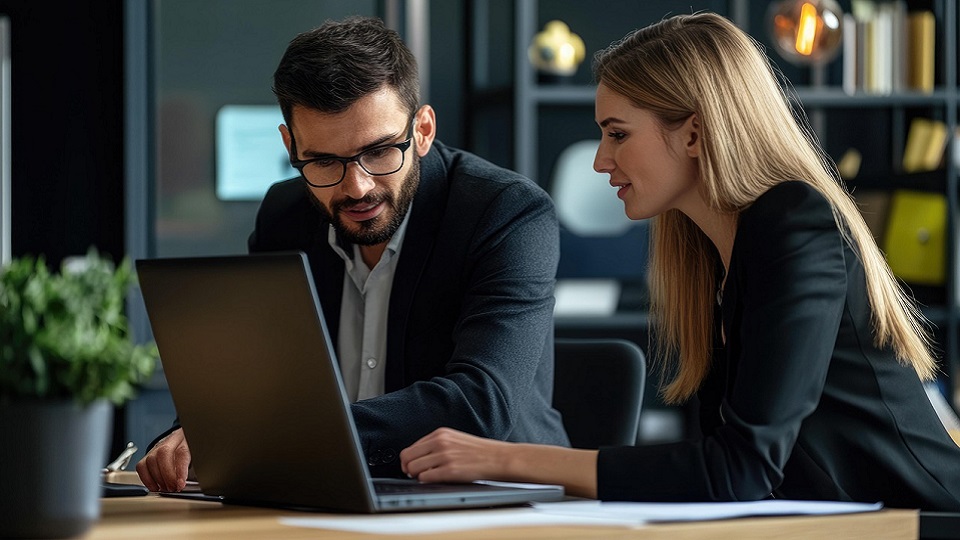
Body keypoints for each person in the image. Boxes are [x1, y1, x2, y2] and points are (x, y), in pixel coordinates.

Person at [400, 12, 960, 511]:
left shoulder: (793, 221)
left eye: (617, 134)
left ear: (694, 131)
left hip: (922, 523)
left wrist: (506, 460)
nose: (601, 160)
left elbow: (740, 469)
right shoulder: (713, 255)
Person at [136, 16, 568, 492]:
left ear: (422, 130)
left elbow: (479, 404)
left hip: (498, 501)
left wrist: (275, 437)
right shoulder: (285, 215)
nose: (357, 187)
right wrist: (197, 432)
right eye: (323, 161)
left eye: (380, 151)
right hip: (327, 492)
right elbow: (249, 376)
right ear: (290, 145)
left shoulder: (505, 212)